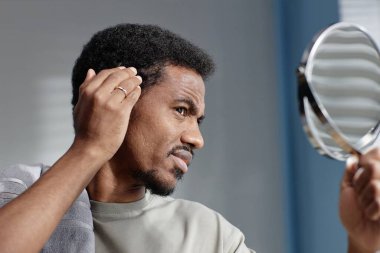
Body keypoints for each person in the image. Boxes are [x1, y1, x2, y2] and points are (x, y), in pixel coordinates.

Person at [0, 23, 379, 253]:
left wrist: (361, 244)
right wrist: (90, 147)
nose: (196, 139)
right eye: (182, 110)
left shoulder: (208, 235)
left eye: (199, 119)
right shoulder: (20, 196)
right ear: (115, 97)